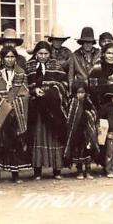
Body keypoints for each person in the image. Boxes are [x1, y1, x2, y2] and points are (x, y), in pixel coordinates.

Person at [0, 46, 31, 183]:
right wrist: (3, 105)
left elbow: (25, 93)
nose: (10, 60)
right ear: (2, 59)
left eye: (12, 57)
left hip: (14, 114)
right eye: (7, 57)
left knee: (14, 143)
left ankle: (15, 174)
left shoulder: (21, 73)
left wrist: (14, 104)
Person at [25, 40, 68, 180]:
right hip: (36, 109)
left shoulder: (56, 66)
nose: (43, 56)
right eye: (40, 53)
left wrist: (51, 92)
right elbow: (23, 85)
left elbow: (64, 83)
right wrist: (33, 90)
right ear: (36, 54)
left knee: (53, 137)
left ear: (50, 54)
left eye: (46, 53)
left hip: (52, 109)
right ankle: (37, 170)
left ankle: (57, 170)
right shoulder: (29, 66)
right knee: (38, 137)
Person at [62, 81, 99, 180]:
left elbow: (94, 113)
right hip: (76, 133)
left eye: (82, 93)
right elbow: (69, 118)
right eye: (78, 93)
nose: (80, 95)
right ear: (75, 93)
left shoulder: (88, 101)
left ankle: (88, 170)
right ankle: (79, 171)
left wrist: (88, 115)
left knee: (88, 151)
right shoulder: (72, 103)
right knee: (78, 152)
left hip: (87, 132)